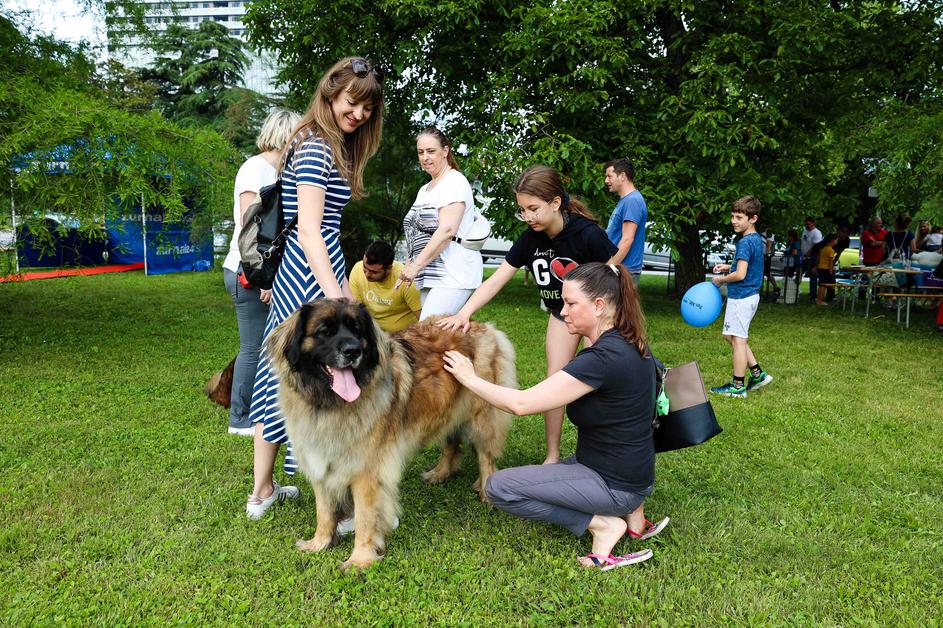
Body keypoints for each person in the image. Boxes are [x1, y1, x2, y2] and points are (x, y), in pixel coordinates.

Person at [443, 262, 668, 570]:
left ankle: (603, 525)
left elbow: (522, 404)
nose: (563, 312)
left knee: (498, 487)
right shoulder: (631, 342)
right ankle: (633, 514)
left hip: (613, 484)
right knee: (539, 479)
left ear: (599, 306)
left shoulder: (602, 360)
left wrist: (469, 378)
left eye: (571, 304)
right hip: (629, 476)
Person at [244, 56, 385, 520]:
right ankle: (275, 491)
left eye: (368, 108)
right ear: (330, 93)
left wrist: (342, 288)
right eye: (352, 102)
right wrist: (337, 297)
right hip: (307, 274)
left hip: (317, 270)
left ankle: (266, 490)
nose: (359, 114)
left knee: (292, 378)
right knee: (293, 376)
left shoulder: (325, 145)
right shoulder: (316, 147)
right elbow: (309, 230)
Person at [437, 165, 617, 464]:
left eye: (533, 209)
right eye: (522, 210)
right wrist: (464, 312)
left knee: (597, 383)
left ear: (555, 203)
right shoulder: (530, 239)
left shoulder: (587, 234)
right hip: (561, 315)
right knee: (555, 381)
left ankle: (600, 453)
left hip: (598, 318)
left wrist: (611, 323)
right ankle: (552, 455)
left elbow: (615, 278)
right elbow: (496, 279)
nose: (528, 216)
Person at [221, 108, 300, 436]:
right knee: (254, 347)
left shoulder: (278, 171)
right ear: (287, 135)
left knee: (264, 345)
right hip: (248, 272)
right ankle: (239, 419)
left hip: (264, 272)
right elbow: (249, 227)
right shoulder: (255, 169)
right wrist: (264, 278)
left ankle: (260, 410)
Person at [398, 126, 483, 319]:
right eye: (421, 152)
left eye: (431, 151)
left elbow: (447, 231)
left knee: (429, 331)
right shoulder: (425, 189)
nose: (425, 157)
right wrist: (409, 266)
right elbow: (416, 231)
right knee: (437, 334)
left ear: (445, 151)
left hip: (453, 275)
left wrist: (415, 267)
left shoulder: (454, 182)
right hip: (429, 275)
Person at [709, 196, 773, 398]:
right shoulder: (755, 239)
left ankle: (737, 387)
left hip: (742, 297)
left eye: (739, 217)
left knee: (738, 340)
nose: (734, 221)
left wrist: (720, 280)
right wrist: (729, 266)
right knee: (731, 336)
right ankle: (758, 374)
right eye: (733, 216)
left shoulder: (745, 242)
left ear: (753, 219)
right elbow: (747, 266)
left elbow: (740, 275)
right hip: (749, 296)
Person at [348, 240, 420, 332]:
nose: (367, 275)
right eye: (365, 268)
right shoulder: (357, 270)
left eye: (374, 272)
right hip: (373, 332)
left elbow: (423, 318)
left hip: (404, 335)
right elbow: (356, 311)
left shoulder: (406, 281)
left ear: (389, 268)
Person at [603, 157, 647, 284]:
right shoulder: (627, 200)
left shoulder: (632, 201)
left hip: (624, 272)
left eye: (609, 176)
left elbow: (627, 240)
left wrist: (609, 268)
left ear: (622, 176)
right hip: (619, 270)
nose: (606, 181)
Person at [800, 216, 823, 299]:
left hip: (812, 257)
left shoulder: (817, 233)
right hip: (803, 257)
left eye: (808, 224)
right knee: (799, 272)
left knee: (813, 275)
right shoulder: (805, 231)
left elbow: (815, 247)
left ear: (813, 223)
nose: (807, 226)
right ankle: (795, 290)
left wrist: (806, 255)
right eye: (806, 224)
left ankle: (813, 295)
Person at [815, 233, 838, 306]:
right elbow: (831, 262)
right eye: (836, 240)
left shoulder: (823, 249)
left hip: (820, 268)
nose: (837, 242)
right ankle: (820, 301)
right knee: (824, 285)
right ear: (833, 241)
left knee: (821, 284)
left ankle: (818, 299)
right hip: (826, 269)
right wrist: (831, 271)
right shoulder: (831, 250)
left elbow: (819, 259)